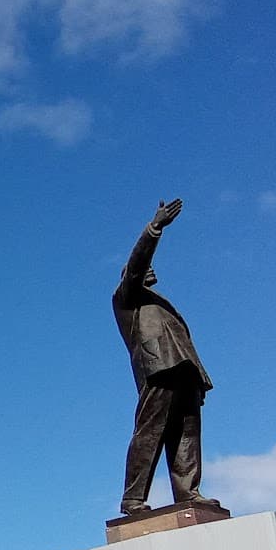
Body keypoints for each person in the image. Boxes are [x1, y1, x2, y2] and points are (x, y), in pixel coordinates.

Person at [113, 198, 222, 516]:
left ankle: (188, 492)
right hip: (158, 370)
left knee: (187, 433)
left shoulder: (160, 304)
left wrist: (199, 374)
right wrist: (155, 227)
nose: (150, 269)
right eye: (144, 267)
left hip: (184, 371)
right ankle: (133, 498)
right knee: (150, 431)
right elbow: (136, 263)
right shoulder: (127, 299)